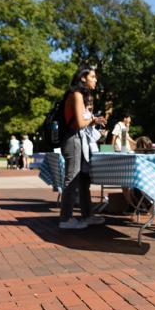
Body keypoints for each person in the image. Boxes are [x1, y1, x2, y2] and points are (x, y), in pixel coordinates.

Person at [59, 66, 107, 230]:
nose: (95, 79)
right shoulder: (77, 95)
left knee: (84, 179)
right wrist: (93, 121)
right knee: (72, 178)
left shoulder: (80, 96)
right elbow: (79, 123)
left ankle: (87, 215)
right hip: (72, 140)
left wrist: (93, 120)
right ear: (83, 78)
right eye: (93, 76)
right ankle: (66, 219)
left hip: (78, 139)